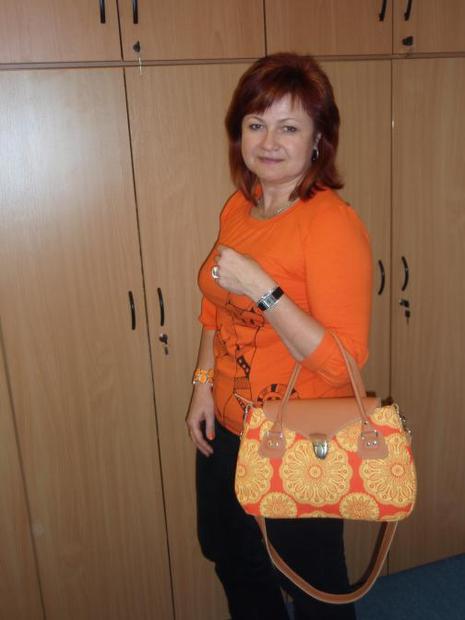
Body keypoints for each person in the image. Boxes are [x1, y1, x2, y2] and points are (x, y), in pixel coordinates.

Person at [186, 53, 372, 620]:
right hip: (227, 429)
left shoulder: (330, 223)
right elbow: (216, 307)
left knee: (314, 587)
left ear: (318, 140)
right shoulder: (239, 209)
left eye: (289, 127)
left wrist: (263, 288)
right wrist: (201, 385)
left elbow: (343, 363)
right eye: (256, 123)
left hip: (300, 437)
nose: (269, 142)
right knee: (236, 562)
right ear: (238, 131)